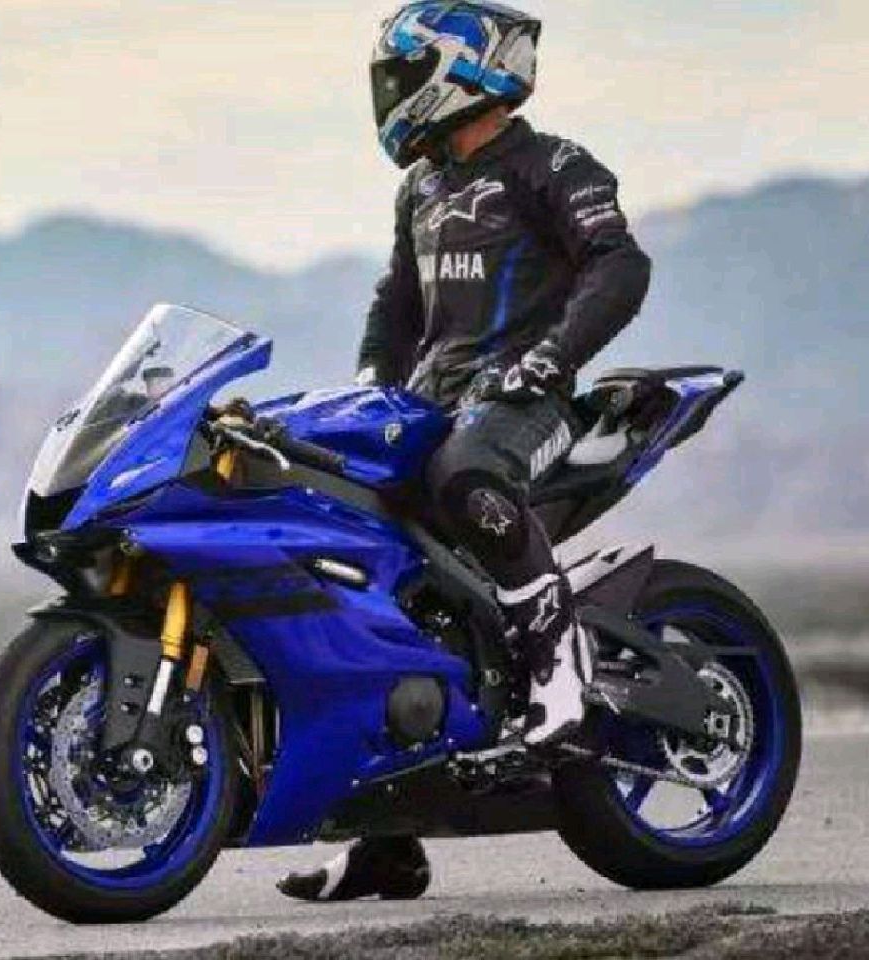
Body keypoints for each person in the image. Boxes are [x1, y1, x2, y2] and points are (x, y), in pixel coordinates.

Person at [279, 0, 651, 902]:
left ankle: (558, 670)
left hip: (528, 402)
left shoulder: (552, 164)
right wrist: (370, 387)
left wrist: (550, 359)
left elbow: (620, 265)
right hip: (433, 402)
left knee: (467, 475)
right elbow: (396, 306)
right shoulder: (421, 188)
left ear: (465, 68)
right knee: (365, 560)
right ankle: (386, 839)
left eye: (404, 75)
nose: (391, 94)